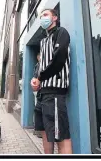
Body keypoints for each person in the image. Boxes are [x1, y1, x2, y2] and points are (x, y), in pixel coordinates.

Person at [31, 8, 72, 154]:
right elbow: (42, 66)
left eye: (46, 15)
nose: (43, 18)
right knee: (44, 132)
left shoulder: (61, 33)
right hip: (42, 95)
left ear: (55, 18)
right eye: (41, 16)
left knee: (61, 135)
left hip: (55, 92)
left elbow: (59, 58)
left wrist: (41, 77)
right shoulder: (43, 42)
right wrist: (36, 80)